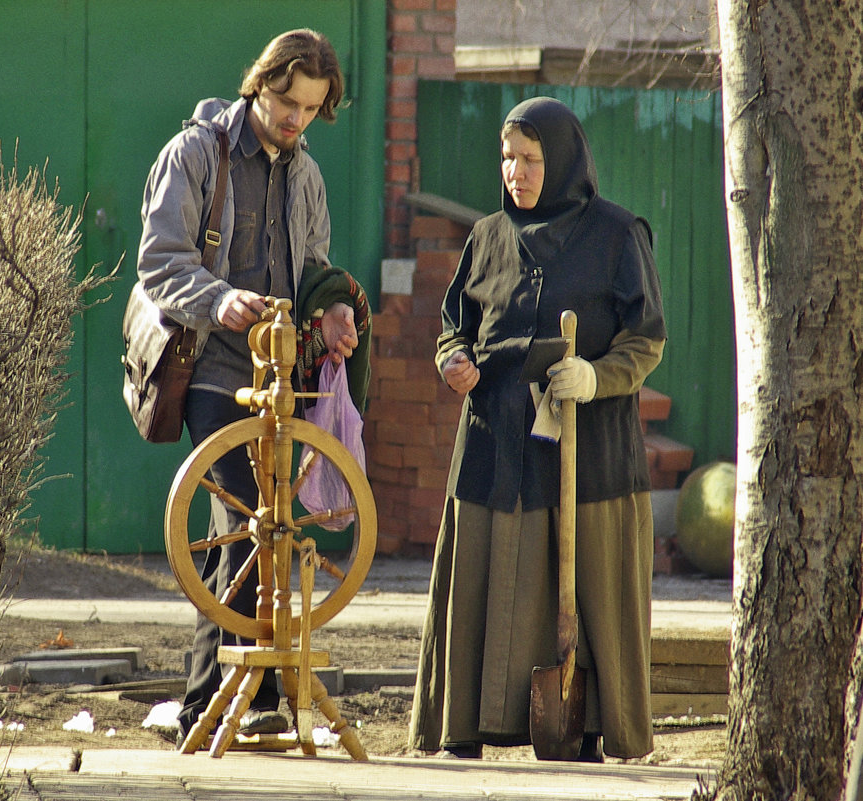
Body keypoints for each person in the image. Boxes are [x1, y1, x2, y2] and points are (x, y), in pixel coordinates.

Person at [408, 96, 666, 762]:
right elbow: (453, 324)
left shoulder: (616, 234)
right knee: (488, 582)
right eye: (507, 156)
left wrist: (597, 375)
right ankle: (470, 723)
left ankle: (587, 728)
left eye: (529, 158)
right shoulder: (487, 235)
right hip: (496, 440)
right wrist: (453, 359)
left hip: (592, 446)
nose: (514, 170)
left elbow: (645, 338)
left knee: (589, 586)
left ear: (563, 160)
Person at [135, 29, 371, 746]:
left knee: (252, 528)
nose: (296, 117)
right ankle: (256, 694)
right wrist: (219, 300)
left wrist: (331, 311)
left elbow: (319, 269)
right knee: (252, 521)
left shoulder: (307, 176)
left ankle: (206, 699)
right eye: (286, 99)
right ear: (258, 83)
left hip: (283, 372)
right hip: (210, 365)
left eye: (311, 107)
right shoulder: (196, 154)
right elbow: (159, 261)